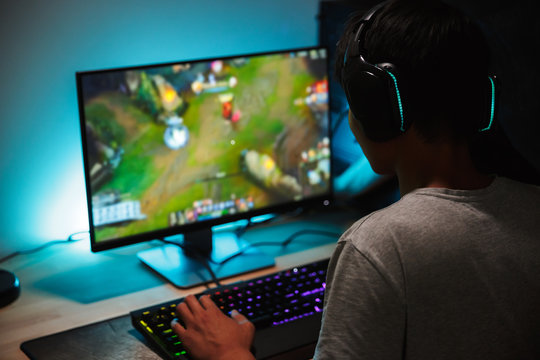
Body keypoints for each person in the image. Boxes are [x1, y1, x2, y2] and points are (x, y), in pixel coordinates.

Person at [170, 1, 540, 359]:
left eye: (354, 103)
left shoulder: (380, 245)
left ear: (378, 110)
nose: (349, 116)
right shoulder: (532, 206)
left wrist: (228, 353)